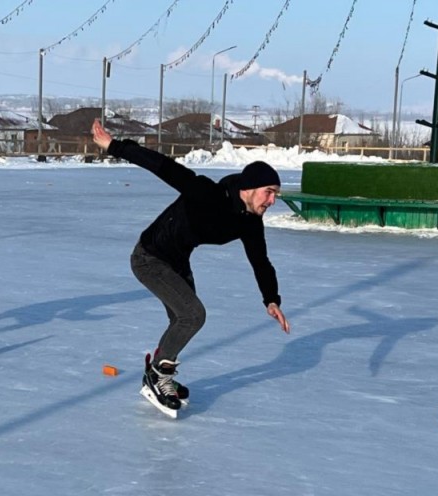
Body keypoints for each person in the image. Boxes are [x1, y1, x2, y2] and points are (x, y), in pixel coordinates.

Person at [91, 119, 290, 414]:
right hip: (149, 257)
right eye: (268, 192)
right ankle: (158, 376)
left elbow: (260, 260)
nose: (272, 201)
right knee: (192, 315)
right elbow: (163, 166)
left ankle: (158, 374)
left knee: (181, 319)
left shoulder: (250, 221)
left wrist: (271, 299)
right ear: (248, 188)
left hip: (177, 261)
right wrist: (114, 146)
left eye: (275, 195)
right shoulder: (208, 194)